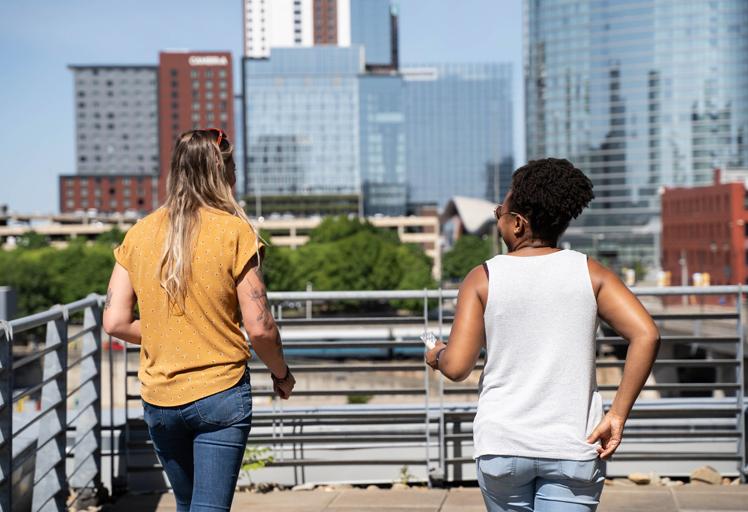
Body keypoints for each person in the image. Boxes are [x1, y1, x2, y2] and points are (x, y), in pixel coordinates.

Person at [425, 158, 660, 512]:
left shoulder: (483, 277)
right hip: (573, 447)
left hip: (503, 446)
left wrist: (436, 354)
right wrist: (617, 415)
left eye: (499, 212)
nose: (497, 217)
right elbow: (647, 334)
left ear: (517, 224)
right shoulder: (590, 272)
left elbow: (458, 367)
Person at [103, 128, 295, 512]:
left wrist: (167, 335)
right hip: (220, 393)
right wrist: (281, 373)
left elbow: (115, 322)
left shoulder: (139, 234)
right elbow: (260, 328)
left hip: (159, 398)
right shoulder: (235, 232)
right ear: (223, 175)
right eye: (234, 169)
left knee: (188, 505)